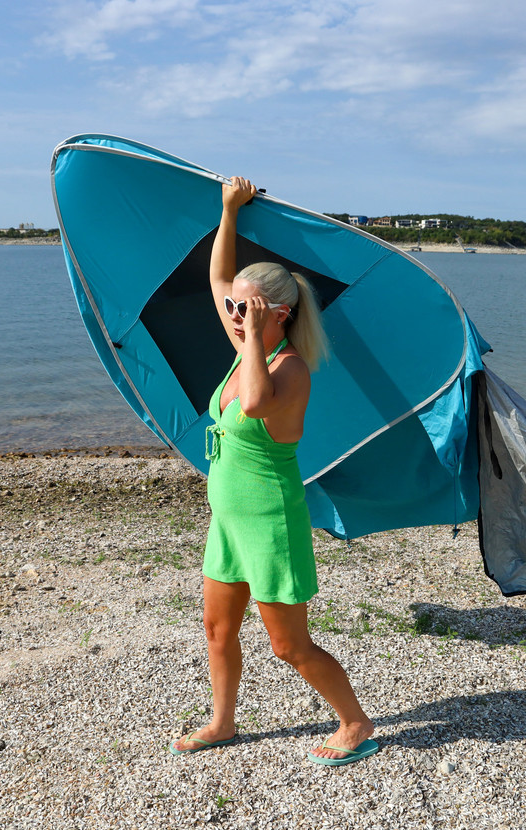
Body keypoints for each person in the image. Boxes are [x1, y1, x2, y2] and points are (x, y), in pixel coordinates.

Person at [169, 176, 377, 766]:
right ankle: (222, 722)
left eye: (247, 308)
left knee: (288, 645)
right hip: (229, 524)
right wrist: (229, 212)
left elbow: (256, 404)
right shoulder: (246, 346)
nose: (233, 315)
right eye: (234, 308)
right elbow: (216, 278)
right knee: (216, 630)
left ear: (280, 314)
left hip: (270, 523)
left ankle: (355, 722)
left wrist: (254, 338)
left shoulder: (288, 369)